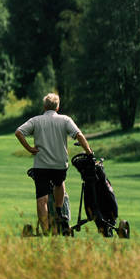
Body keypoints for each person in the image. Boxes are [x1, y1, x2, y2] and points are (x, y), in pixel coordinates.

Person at [15, 93, 93, 234]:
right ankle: (58, 211)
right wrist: (88, 151)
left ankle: (46, 230)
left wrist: (29, 149)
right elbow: (79, 135)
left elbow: (19, 132)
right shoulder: (65, 120)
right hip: (59, 165)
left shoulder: (36, 120)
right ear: (57, 107)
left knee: (42, 200)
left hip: (41, 165)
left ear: (44, 107)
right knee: (59, 183)